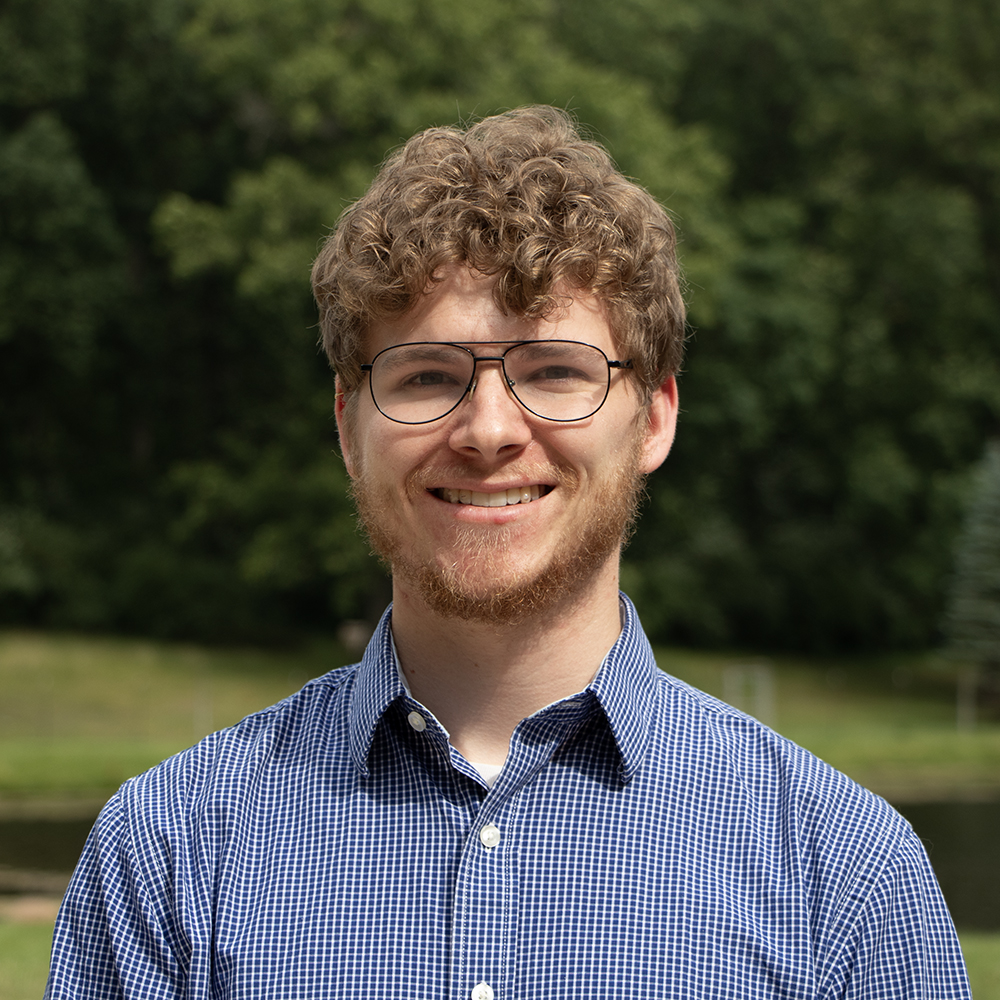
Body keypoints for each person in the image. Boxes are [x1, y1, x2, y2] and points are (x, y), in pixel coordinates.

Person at [46, 106, 970, 1000]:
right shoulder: (170, 852)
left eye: (555, 370)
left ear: (654, 417)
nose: (488, 431)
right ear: (346, 423)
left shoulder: (844, 878)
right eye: (427, 376)